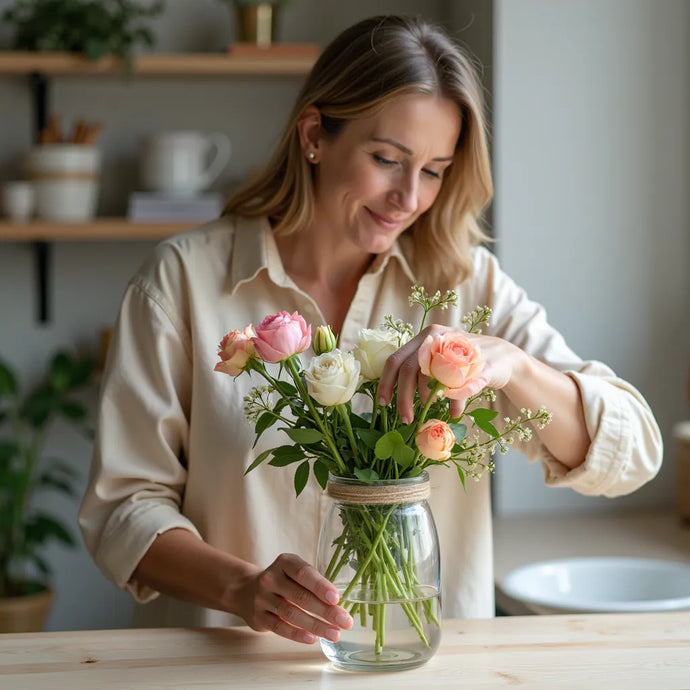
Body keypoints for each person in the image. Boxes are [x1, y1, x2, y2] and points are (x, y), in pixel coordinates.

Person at [79, 15, 662, 644]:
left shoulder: (469, 285)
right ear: (314, 136)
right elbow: (123, 508)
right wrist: (242, 589)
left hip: (424, 670)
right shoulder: (181, 283)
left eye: (435, 170)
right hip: (227, 667)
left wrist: (512, 363)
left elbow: (632, 455)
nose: (408, 197)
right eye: (388, 159)